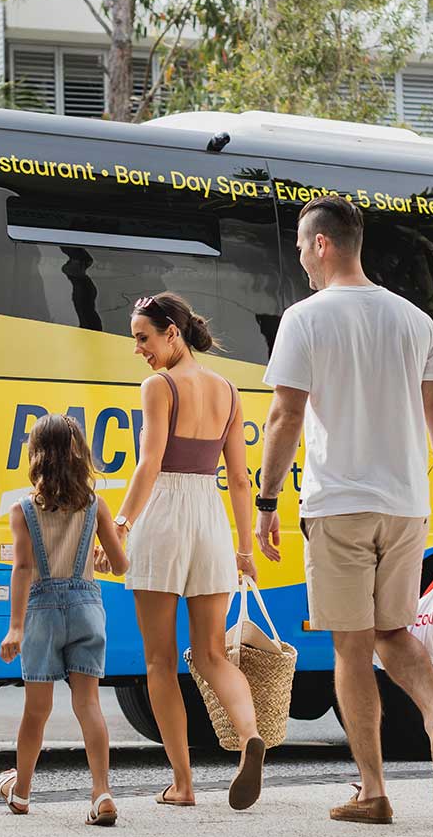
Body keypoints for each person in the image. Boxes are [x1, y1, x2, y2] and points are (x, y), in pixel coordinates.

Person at [256, 194, 433, 825]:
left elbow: (285, 416)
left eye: (301, 245)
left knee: (352, 650)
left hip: (340, 504)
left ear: (322, 244)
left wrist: (267, 499)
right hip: (406, 505)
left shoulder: (306, 319)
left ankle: (374, 791)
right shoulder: (414, 321)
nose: (300, 257)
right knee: (392, 632)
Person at [103, 291, 266, 810]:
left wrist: (122, 524)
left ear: (172, 333)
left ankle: (184, 782)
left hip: (165, 518)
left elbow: (149, 463)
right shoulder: (227, 388)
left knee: (160, 660)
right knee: (214, 653)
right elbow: (240, 479)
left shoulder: (159, 386)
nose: (139, 351)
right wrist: (244, 549)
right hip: (211, 519)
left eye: (143, 338)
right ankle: (249, 738)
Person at [0, 414, 130, 827]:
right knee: (88, 704)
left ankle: (20, 793)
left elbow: (22, 568)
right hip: (87, 607)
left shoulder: (23, 510)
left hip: (40, 612)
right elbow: (120, 565)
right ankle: (101, 793)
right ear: (80, 456)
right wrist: (103, 555)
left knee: (36, 711)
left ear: (36, 455)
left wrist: (15, 627)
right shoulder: (95, 504)